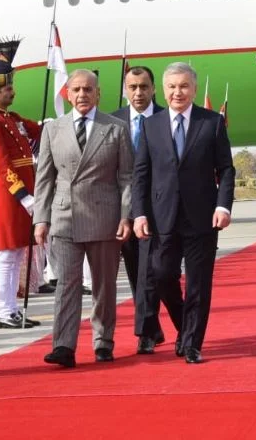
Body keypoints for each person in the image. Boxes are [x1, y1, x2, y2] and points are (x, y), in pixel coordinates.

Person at [132, 62, 235, 364]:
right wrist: (139, 214)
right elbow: (141, 174)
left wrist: (223, 205)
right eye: (172, 87)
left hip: (202, 217)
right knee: (162, 275)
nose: (178, 92)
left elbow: (226, 169)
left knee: (198, 284)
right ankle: (184, 325)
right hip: (162, 218)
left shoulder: (212, 122)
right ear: (163, 91)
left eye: (184, 86)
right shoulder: (151, 126)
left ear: (193, 88)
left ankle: (191, 343)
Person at [35, 69, 134, 367]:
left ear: (98, 93)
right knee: (66, 283)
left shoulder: (115, 128)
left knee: (103, 285)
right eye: (76, 89)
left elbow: (127, 178)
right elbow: (44, 178)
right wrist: (41, 218)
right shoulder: (53, 130)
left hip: (104, 216)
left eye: (88, 89)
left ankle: (103, 341)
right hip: (64, 216)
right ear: (67, 93)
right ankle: (64, 345)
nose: (82, 95)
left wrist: (126, 216)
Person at [0, 45, 43, 329]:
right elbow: (3, 167)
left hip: (23, 194)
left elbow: (40, 130)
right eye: (8, 89)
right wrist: (23, 196)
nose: (13, 92)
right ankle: (5, 312)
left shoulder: (12, 119)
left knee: (17, 253)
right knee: (7, 254)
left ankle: (12, 309)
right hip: (11, 196)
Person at [111, 65, 167, 354]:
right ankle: (152, 326)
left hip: (158, 210)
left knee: (151, 271)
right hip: (123, 212)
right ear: (125, 90)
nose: (138, 93)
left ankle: (145, 331)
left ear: (153, 88)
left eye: (144, 87)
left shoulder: (165, 118)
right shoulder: (112, 121)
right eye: (132, 87)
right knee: (136, 272)